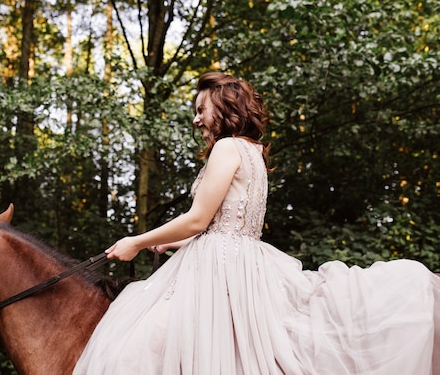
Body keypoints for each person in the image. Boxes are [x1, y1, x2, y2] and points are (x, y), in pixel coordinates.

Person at [73, 72, 440, 374]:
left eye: (202, 109)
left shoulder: (226, 148)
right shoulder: (254, 153)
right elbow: (228, 225)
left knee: (138, 346)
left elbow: (198, 219)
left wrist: (136, 241)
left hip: (219, 272)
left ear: (225, 105)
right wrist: (172, 243)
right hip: (242, 265)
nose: (196, 119)